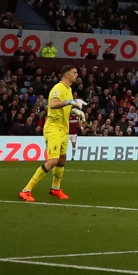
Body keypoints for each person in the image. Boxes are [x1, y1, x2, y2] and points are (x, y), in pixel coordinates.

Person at [20, 66, 81, 202]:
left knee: (62, 159)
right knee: (53, 160)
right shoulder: (58, 88)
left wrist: (76, 111)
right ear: (66, 75)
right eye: (74, 72)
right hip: (53, 128)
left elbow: (65, 108)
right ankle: (26, 190)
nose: (77, 75)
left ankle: (55, 188)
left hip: (64, 129)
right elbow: (53, 104)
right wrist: (70, 102)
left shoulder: (69, 90)